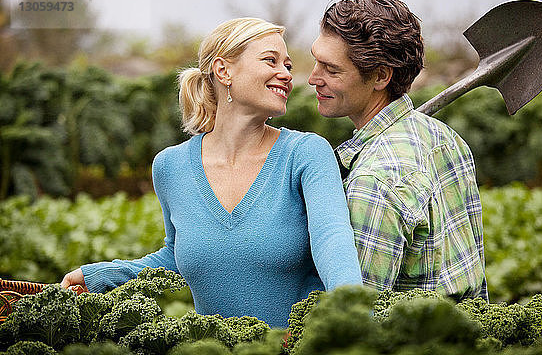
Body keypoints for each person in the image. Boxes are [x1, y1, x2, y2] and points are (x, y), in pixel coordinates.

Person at [61, 17, 363, 328]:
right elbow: (175, 258)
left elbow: (333, 241)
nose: (286, 74)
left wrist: (352, 318)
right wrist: (104, 275)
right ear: (224, 70)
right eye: (270, 60)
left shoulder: (305, 153)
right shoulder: (170, 167)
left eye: (287, 65)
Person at [308, 0, 488, 301]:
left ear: (380, 76)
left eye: (331, 69)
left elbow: (358, 316)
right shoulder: (444, 137)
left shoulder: (373, 183)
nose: (313, 78)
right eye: (316, 61)